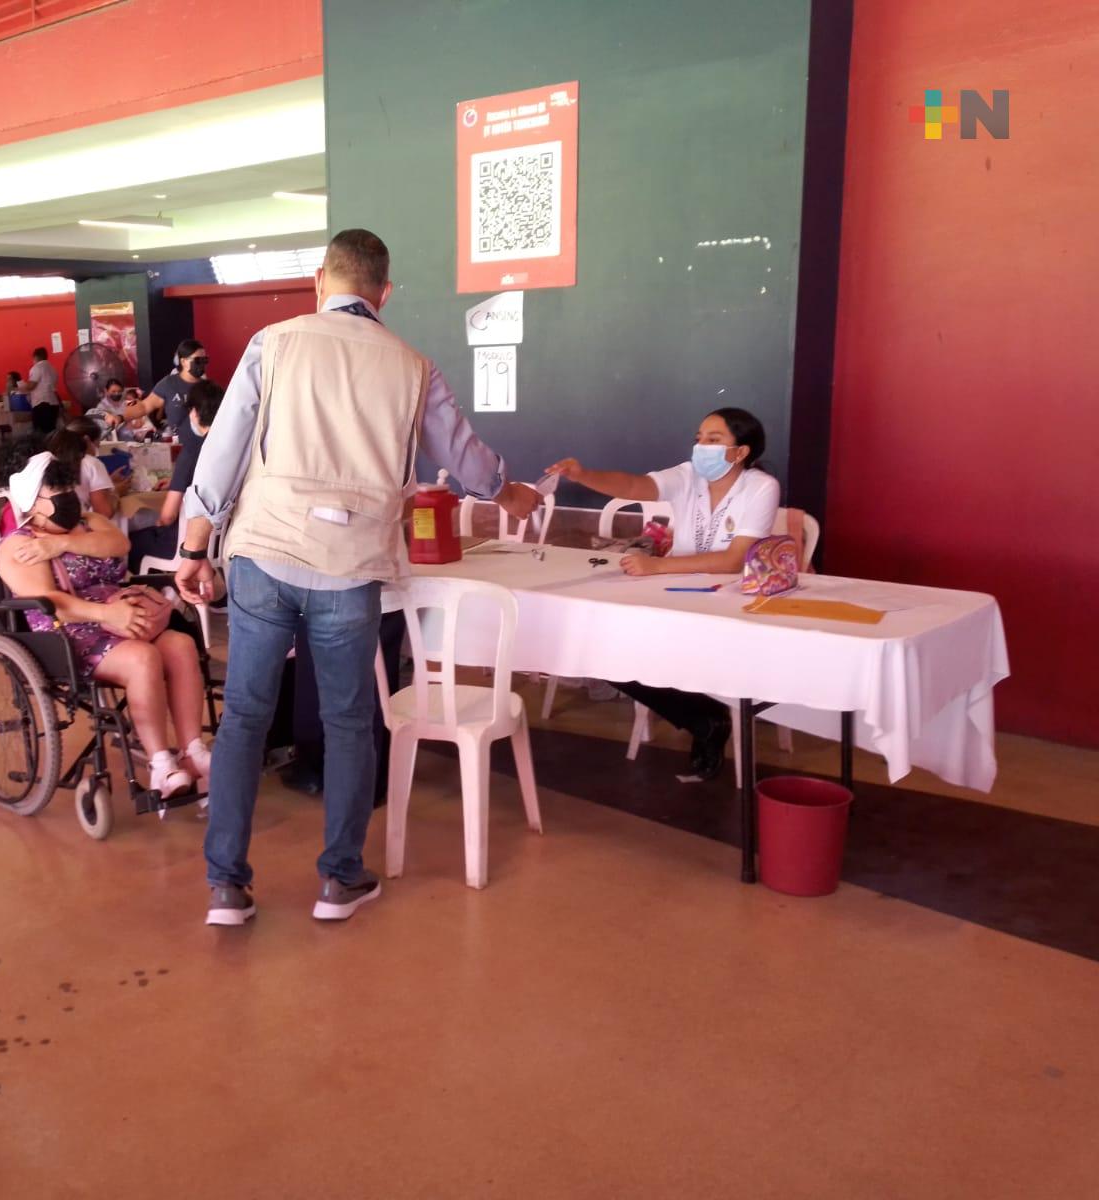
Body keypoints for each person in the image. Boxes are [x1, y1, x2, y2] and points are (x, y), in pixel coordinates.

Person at [174, 228, 541, 927]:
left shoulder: (273, 343)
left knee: (246, 716)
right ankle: (339, 880)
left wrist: (195, 543)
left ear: (320, 280)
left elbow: (223, 450)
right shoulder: (414, 366)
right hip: (351, 566)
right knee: (348, 723)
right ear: (385, 293)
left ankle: (227, 887)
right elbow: (465, 458)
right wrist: (507, 490)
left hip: (265, 552)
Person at [547, 407, 781, 780]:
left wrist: (657, 565)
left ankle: (706, 720)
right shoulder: (688, 476)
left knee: (665, 647)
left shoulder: (760, 487)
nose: (701, 447)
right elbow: (634, 486)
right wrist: (583, 475)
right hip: (675, 590)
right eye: (698, 438)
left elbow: (734, 560)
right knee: (603, 648)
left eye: (714, 439)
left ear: (741, 452)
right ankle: (704, 718)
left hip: (731, 600)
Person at [0, 452, 211, 798]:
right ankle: (161, 764)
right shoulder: (19, 546)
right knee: (142, 658)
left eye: (68, 488)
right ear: (32, 501)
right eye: (56, 491)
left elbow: (119, 543)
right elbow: (51, 602)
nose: (67, 497)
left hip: (121, 618)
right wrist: (108, 615)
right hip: (70, 633)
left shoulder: (87, 521)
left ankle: (193, 751)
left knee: (181, 645)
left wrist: (61, 543)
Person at [127, 380, 221, 570]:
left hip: (184, 545)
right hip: (221, 543)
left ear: (193, 413)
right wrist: (176, 481)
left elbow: (167, 517)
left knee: (129, 542)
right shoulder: (231, 449)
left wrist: (158, 523)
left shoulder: (191, 452)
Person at [126, 339, 210, 441]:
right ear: (183, 361)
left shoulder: (209, 387)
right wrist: (120, 416)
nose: (202, 364)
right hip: (179, 442)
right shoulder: (169, 384)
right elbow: (145, 406)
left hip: (204, 443)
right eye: (197, 360)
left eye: (204, 360)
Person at [47, 419, 117, 519]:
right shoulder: (91, 463)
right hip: (78, 524)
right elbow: (104, 513)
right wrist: (116, 493)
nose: (98, 447)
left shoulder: (47, 459)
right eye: (97, 443)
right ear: (87, 440)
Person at [26, 346, 61, 436]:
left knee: (40, 433)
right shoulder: (52, 369)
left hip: (41, 403)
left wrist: (21, 388)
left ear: (36, 357)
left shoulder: (37, 367)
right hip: (53, 403)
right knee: (51, 432)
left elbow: (31, 386)